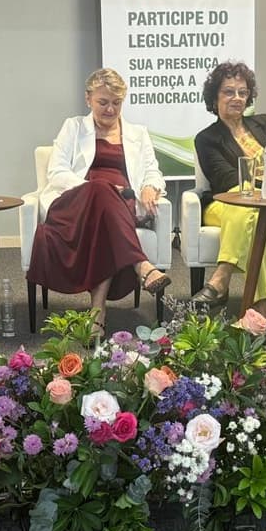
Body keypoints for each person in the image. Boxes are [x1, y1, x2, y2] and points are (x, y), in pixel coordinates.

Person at [27, 68, 170, 338]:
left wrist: (150, 186)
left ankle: (98, 313)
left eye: (116, 102)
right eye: (103, 102)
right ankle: (141, 265)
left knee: (105, 216)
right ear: (88, 99)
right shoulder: (73, 127)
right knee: (101, 189)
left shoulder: (137, 133)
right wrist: (94, 187)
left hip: (120, 206)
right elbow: (56, 172)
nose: (110, 109)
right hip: (74, 204)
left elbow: (153, 170)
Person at [191, 61, 266, 322]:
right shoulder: (206, 138)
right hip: (224, 203)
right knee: (248, 210)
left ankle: (221, 278)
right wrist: (265, 185)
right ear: (214, 97)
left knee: (254, 215)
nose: (237, 98)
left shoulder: (264, 123)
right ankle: (261, 309)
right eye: (228, 92)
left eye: (242, 92)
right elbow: (226, 180)